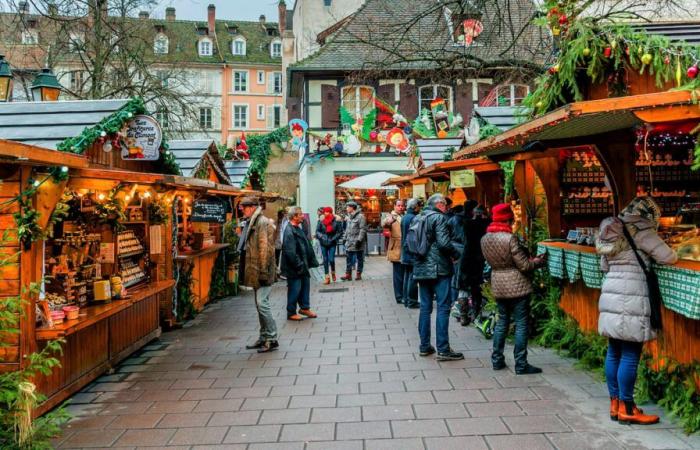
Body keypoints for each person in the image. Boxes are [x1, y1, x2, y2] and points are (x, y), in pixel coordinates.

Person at [596, 197, 676, 425]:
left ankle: (616, 404)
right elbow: (669, 257)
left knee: (614, 351)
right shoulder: (642, 230)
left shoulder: (611, 229)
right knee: (631, 353)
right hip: (632, 296)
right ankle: (628, 409)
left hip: (611, 293)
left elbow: (604, 265)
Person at [481, 203, 545, 374]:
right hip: (517, 285)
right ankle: (521, 364)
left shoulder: (485, 238)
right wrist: (538, 262)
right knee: (521, 324)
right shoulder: (510, 238)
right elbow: (524, 265)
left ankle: (497, 360)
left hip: (498, 284)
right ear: (507, 219)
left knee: (502, 322)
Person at [413, 194, 463, 361]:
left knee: (425, 308)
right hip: (439, 269)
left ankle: (424, 346)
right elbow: (443, 243)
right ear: (440, 204)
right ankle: (443, 349)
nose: (447, 208)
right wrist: (456, 254)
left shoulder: (417, 218)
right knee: (443, 307)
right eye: (445, 205)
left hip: (421, 268)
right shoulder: (439, 218)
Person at [238, 197, 279, 353]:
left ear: (252, 207)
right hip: (256, 269)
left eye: (244, 207)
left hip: (262, 270)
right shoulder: (252, 222)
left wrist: (262, 271)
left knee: (262, 304)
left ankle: (271, 338)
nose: (242, 209)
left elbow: (265, 249)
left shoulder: (261, 222)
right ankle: (264, 337)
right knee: (259, 304)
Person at [281, 206, 319, 321]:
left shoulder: (297, 227)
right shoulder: (289, 231)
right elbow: (290, 252)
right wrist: (300, 265)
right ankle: (291, 312)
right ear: (294, 217)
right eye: (300, 214)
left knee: (305, 287)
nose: (303, 215)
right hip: (295, 267)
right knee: (295, 288)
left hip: (302, 264)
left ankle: (304, 308)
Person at [456, 201, 489, 326]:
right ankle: (475, 314)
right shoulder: (486, 224)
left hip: (467, 257)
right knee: (476, 288)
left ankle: (463, 316)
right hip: (479, 257)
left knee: (464, 287)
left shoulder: (466, 223)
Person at [382, 199, 406, 304]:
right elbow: (384, 224)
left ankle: (405, 295)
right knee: (398, 275)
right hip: (396, 248)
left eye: (402, 206)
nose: (401, 207)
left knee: (405, 274)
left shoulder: (405, 215)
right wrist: (389, 221)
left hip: (405, 248)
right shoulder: (390, 216)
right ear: (395, 206)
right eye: (399, 205)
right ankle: (399, 296)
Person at [400, 198, 421, 309]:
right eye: (419, 206)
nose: (420, 208)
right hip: (411, 251)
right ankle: (412, 301)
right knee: (412, 277)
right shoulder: (414, 218)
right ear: (415, 207)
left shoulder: (404, 217)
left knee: (407, 276)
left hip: (405, 250)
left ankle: (406, 299)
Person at [341, 201, 367, 281]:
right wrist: (344, 238)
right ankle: (348, 274)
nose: (346, 208)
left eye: (348, 207)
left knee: (359, 258)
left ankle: (358, 274)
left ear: (352, 208)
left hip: (357, 242)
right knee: (348, 258)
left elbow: (363, 229)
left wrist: (359, 240)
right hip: (349, 241)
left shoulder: (360, 217)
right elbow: (347, 229)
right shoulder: (349, 217)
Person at [315, 206, 342, 284]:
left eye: (327, 212)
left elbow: (340, 232)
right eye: (325, 212)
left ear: (330, 212)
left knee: (331, 259)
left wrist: (333, 239)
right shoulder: (321, 220)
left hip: (332, 242)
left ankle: (333, 272)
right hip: (323, 242)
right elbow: (317, 231)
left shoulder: (336, 220)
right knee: (325, 260)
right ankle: (327, 276)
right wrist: (322, 237)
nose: (325, 213)